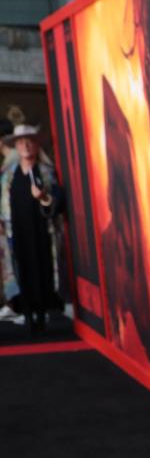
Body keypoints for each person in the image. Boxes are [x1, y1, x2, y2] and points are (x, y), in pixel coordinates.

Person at [1, 123, 65, 335]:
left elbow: (57, 201)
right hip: (16, 232)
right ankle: (27, 313)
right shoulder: (7, 176)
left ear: (36, 146)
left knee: (43, 269)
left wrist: (43, 198)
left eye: (29, 142)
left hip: (41, 231)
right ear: (16, 147)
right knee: (21, 270)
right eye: (21, 142)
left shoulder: (47, 173)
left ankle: (42, 313)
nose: (26, 146)